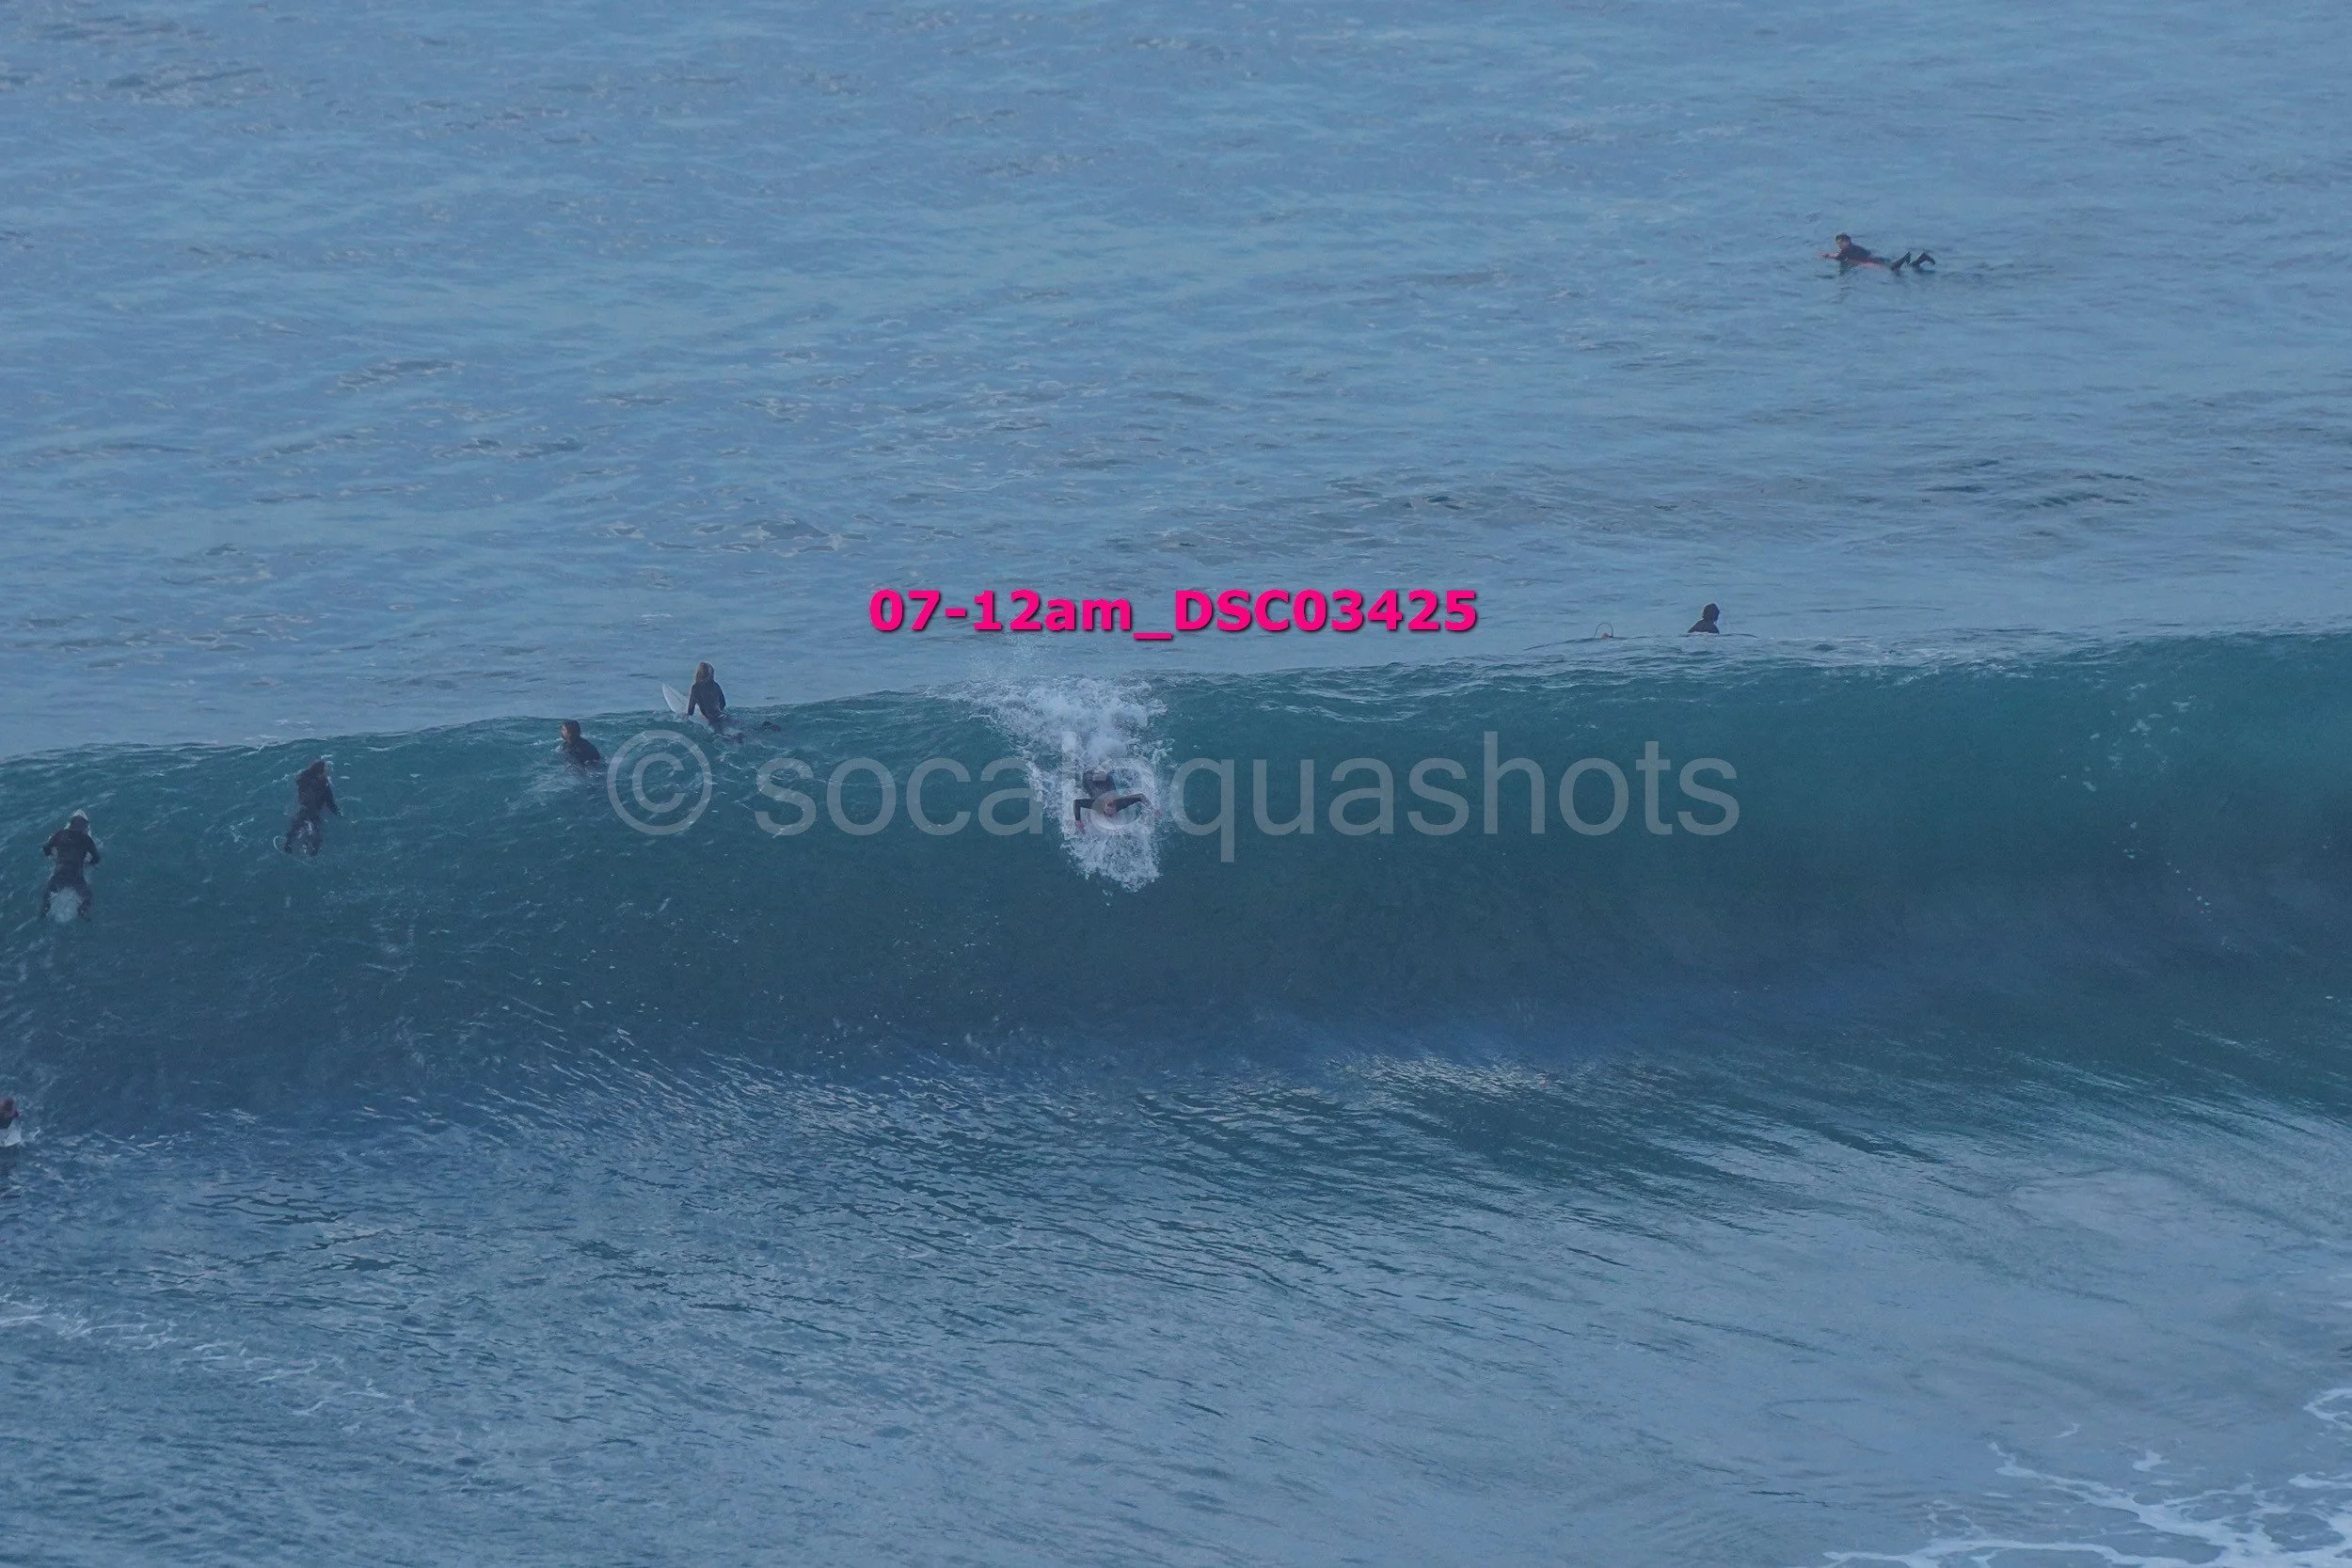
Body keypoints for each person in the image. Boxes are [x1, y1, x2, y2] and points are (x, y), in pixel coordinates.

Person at [40, 813, 100, 919]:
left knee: (49, 892)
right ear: (84, 828)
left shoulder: (59, 834)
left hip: (60, 873)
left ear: (70, 825)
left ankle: (45, 908)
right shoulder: (87, 839)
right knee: (87, 896)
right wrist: (89, 863)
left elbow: (46, 848)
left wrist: (51, 857)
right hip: (76, 876)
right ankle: (82, 909)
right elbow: (96, 858)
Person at [281, 759, 339, 856]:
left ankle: (289, 844)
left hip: (304, 809)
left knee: (297, 828)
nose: (327, 771)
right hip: (312, 811)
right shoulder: (323, 784)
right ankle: (312, 853)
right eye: (325, 771)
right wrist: (337, 812)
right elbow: (330, 803)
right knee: (315, 835)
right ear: (318, 774)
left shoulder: (303, 778)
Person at [1073, 768, 1150, 832]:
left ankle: (1103, 772)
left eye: (1112, 811)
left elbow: (1140, 796)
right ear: (1104, 806)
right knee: (1087, 778)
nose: (1110, 813)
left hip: (1108, 780)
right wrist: (1078, 820)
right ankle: (1089, 769)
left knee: (1108, 777)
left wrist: (1153, 809)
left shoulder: (1121, 803)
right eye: (1108, 810)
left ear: (1116, 807)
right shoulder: (1098, 804)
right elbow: (1077, 802)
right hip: (1090, 781)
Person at [1823, 233, 1933, 271]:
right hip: (1876, 258)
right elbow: (1868, 253)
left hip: (1872, 262)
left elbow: (1838, 258)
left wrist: (1827, 255)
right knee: (1906, 268)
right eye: (1838, 244)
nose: (1839, 245)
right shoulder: (1858, 247)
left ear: (1846, 242)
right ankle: (1921, 258)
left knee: (1892, 269)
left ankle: (1905, 257)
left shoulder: (1845, 251)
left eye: (1840, 243)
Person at [685, 662, 732, 734]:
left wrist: (688, 715)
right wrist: (719, 710)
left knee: (720, 734)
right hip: (720, 714)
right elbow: (723, 703)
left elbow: (691, 708)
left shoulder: (696, 687)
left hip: (709, 717)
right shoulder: (716, 685)